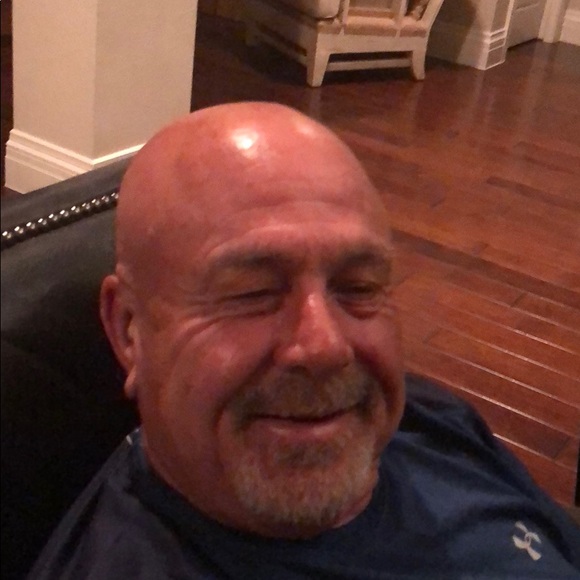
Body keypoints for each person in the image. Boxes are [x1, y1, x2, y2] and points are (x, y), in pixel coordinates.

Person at [28, 102, 580, 579]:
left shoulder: (429, 420)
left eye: (358, 287)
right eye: (251, 293)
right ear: (128, 329)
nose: (325, 346)